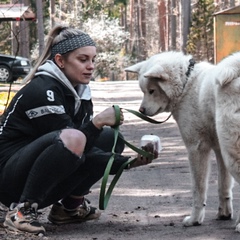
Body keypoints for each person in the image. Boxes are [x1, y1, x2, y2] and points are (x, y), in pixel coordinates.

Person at [0, 25, 158, 235]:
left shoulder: (80, 91)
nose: (91, 66)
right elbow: (72, 142)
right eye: (83, 60)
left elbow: (85, 149)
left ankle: (68, 209)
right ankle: (21, 212)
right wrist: (98, 122)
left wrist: (130, 162)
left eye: (93, 60)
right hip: (7, 179)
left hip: (34, 170)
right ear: (60, 61)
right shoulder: (42, 90)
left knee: (111, 138)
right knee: (77, 137)